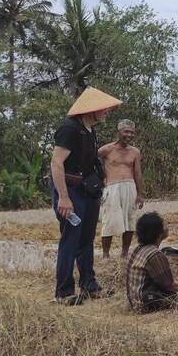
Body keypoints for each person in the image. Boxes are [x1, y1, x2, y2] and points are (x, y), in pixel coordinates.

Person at [50, 87, 122, 306]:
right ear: (92, 110)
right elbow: (56, 163)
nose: (107, 112)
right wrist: (63, 197)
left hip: (87, 192)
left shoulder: (90, 130)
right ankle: (64, 292)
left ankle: (89, 285)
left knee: (86, 239)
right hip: (70, 191)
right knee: (70, 240)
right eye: (104, 109)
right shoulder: (69, 128)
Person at [99, 119, 145, 259]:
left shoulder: (135, 152)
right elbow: (92, 163)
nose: (129, 135)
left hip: (130, 187)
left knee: (130, 221)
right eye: (126, 131)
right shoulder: (106, 149)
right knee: (110, 221)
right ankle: (106, 255)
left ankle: (124, 253)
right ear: (119, 132)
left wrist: (140, 193)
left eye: (132, 132)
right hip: (112, 188)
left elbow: (137, 173)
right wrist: (102, 178)